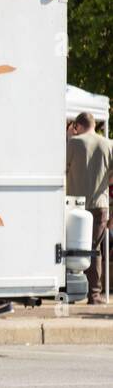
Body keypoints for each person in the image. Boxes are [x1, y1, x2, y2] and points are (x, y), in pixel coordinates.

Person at [66, 111, 113, 303]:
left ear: (78, 125)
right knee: (95, 251)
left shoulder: (74, 143)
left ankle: (69, 291)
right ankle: (94, 294)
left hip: (75, 204)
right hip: (100, 204)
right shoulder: (108, 144)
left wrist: (70, 136)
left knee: (71, 247)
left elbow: (63, 167)